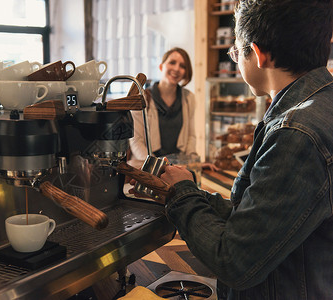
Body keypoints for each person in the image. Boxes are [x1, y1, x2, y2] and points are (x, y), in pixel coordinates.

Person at [133, 0, 333, 299]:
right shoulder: (319, 106)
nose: (235, 58)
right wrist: (192, 193)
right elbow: (263, 219)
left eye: (235, 51)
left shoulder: (296, 134)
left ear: (258, 54)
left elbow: (235, 261)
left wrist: (182, 196)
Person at [128, 47, 199, 169]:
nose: (177, 68)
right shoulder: (142, 98)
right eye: (172, 62)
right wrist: (159, 165)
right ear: (161, 66)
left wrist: (193, 162)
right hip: (147, 168)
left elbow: (191, 136)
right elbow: (135, 141)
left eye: (182, 66)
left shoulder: (189, 98)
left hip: (177, 168)